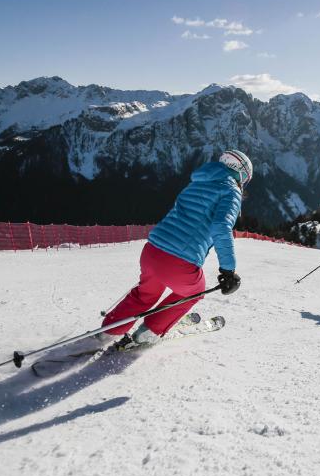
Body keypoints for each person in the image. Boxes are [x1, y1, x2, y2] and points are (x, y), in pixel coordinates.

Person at [100, 149, 252, 350]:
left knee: (146, 294)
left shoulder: (198, 181)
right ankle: (149, 332)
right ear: (241, 175)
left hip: (152, 250)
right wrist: (228, 270)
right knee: (194, 292)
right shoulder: (231, 190)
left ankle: (108, 331)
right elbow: (221, 227)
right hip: (179, 261)